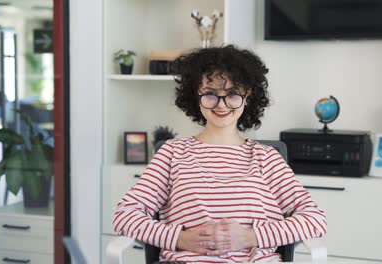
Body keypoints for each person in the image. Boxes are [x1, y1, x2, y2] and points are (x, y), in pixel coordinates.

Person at [113, 45, 327, 263]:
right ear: (195, 95)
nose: (221, 105)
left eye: (232, 94)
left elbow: (314, 219)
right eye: (210, 94)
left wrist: (249, 237)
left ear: (248, 96)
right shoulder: (172, 153)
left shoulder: (267, 158)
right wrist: (180, 238)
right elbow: (125, 215)